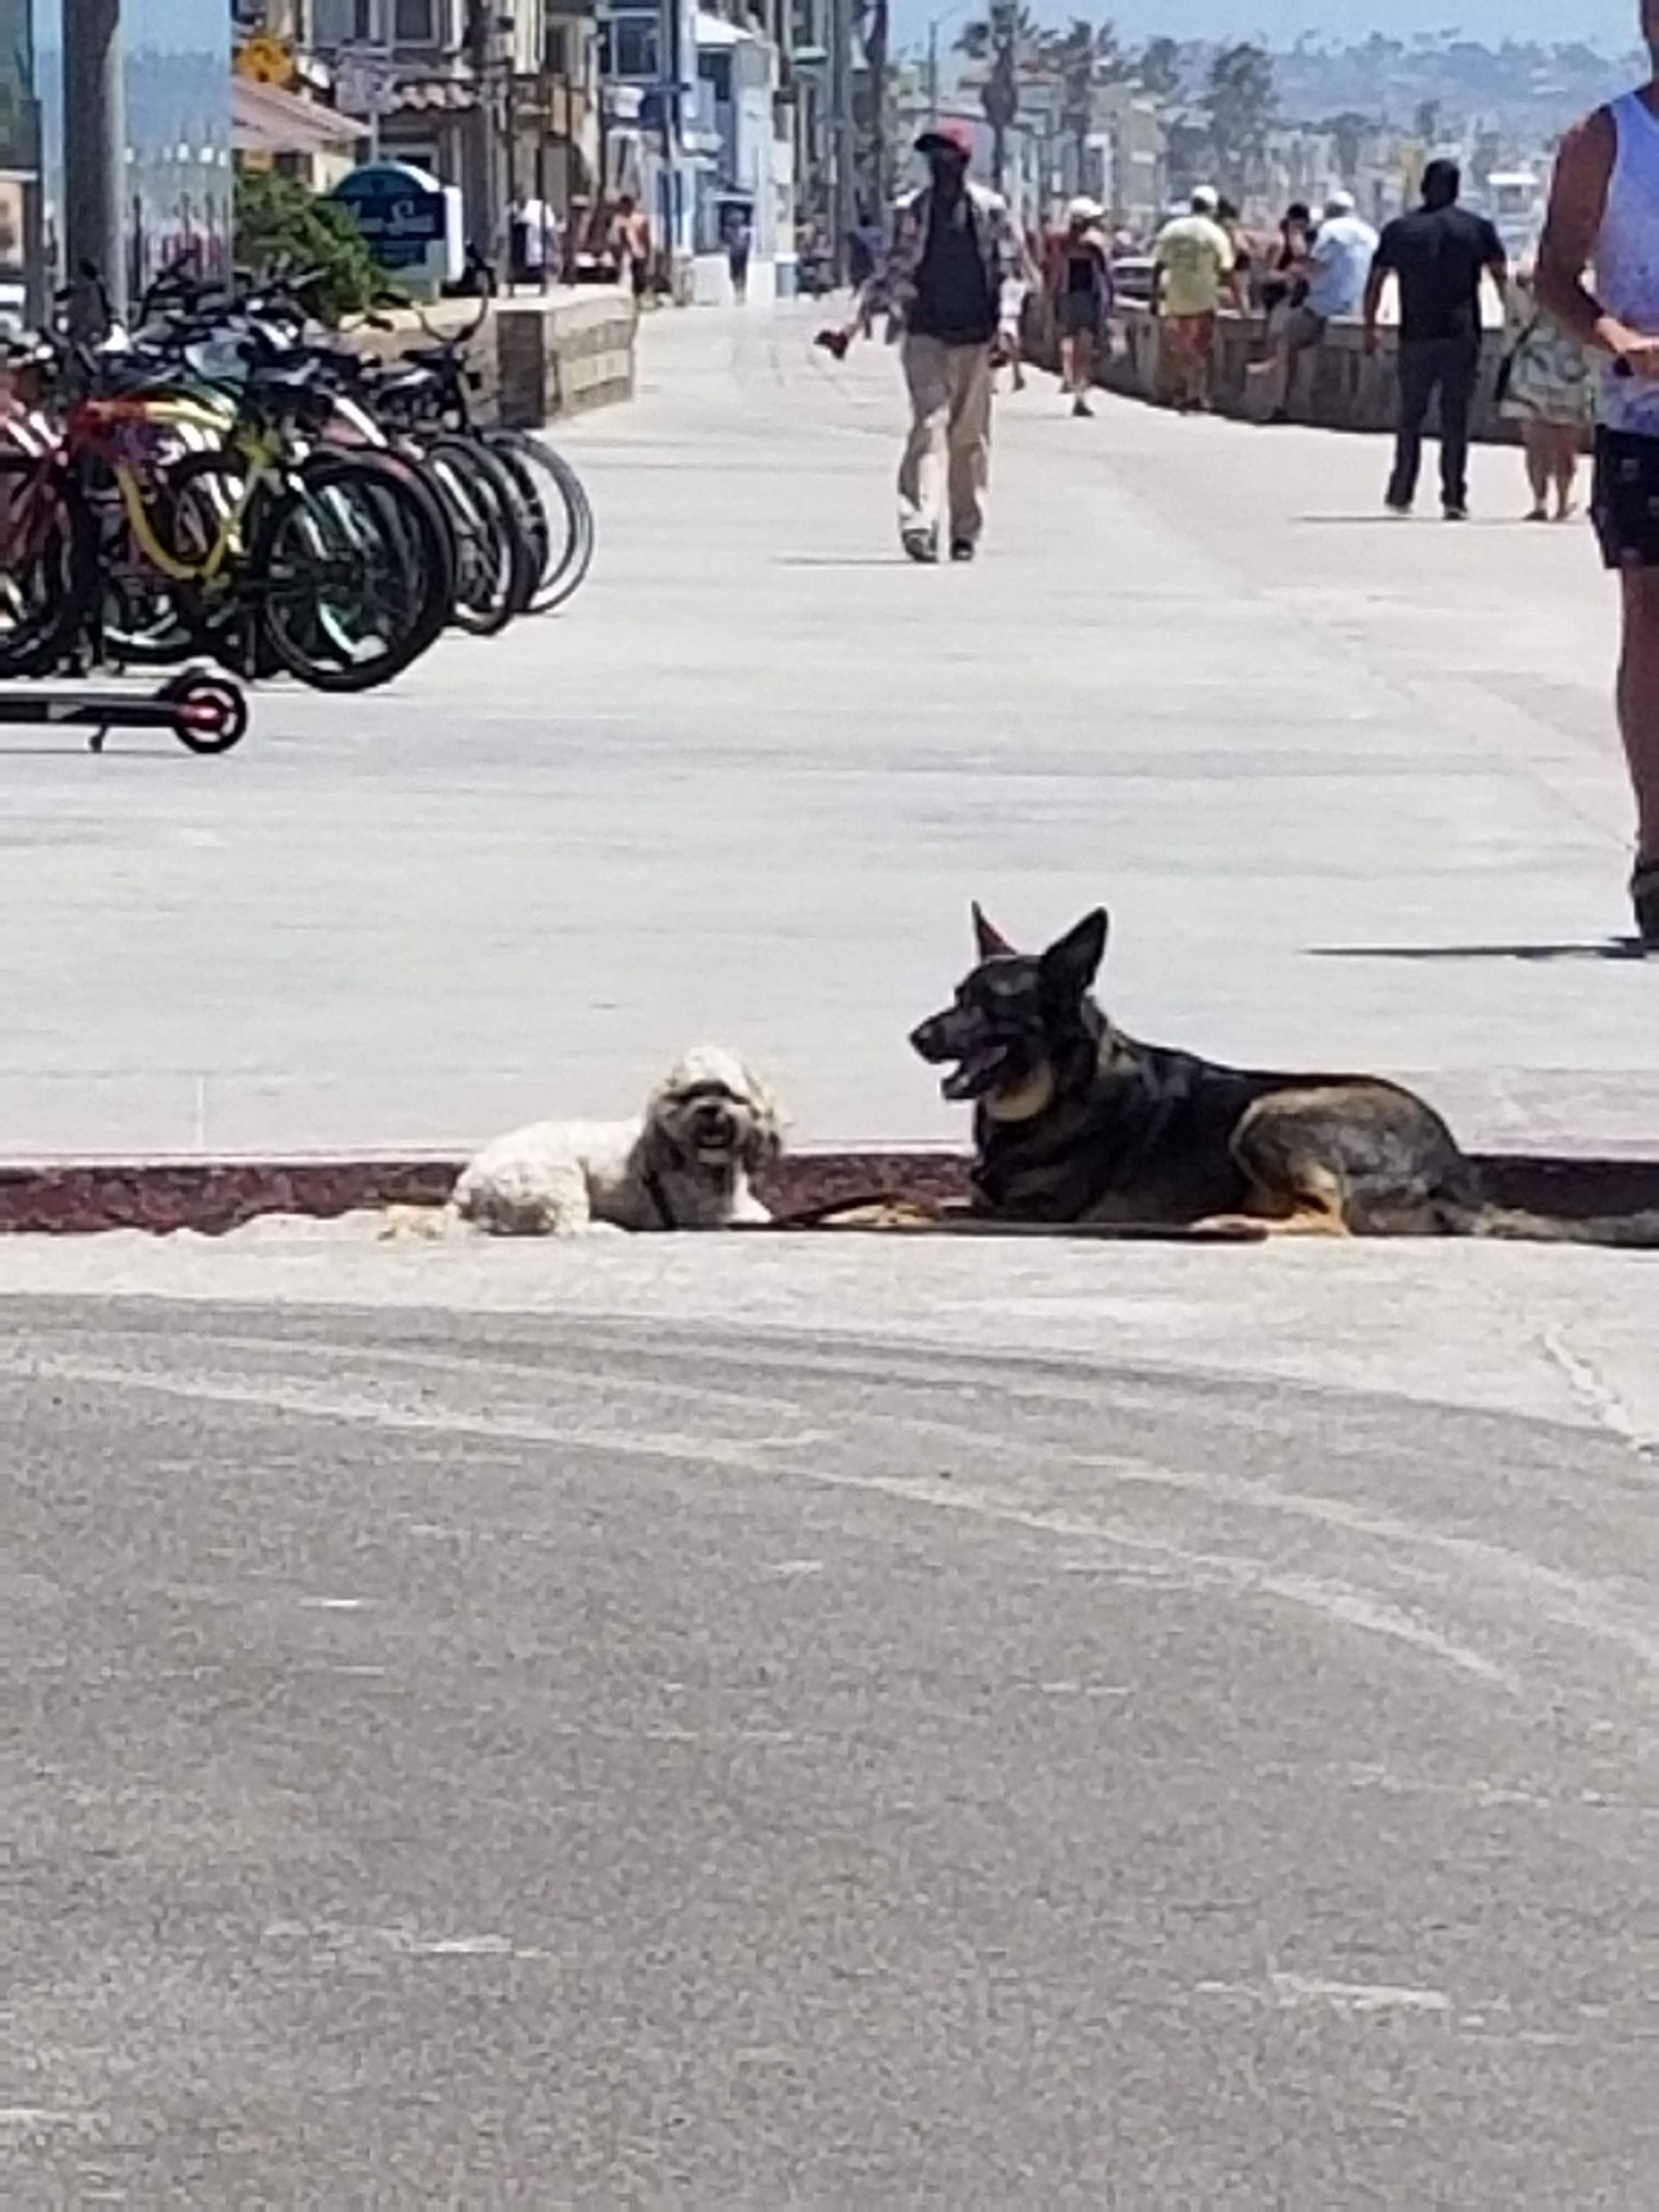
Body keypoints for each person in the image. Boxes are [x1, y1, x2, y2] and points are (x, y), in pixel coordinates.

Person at [1537, 0, 1659, 943]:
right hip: (1644, 418)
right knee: (1651, 614)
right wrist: (1614, 336)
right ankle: (1658, 847)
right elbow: (1554, 274)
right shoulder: (1606, 137)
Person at [880, 120, 1026, 565]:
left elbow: (1012, 273)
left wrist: (1007, 326)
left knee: (970, 438)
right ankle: (920, 523)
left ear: (963, 163)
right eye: (932, 160)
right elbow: (894, 270)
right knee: (928, 425)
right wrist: (861, 320)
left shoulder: (991, 211)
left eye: (946, 158)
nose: (938, 168)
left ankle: (966, 531)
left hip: (976, 339)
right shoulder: (912, 211)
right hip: (925, 334)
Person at [1363, 159, 1507, 521]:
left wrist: (1371, 326)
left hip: (1416, 334)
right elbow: (1502, 280)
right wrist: (1514, 325)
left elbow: (1377, 280)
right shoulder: (1477, 228)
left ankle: (1401, 491)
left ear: (1424, 187)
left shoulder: (1400, 229)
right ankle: (1454, 496)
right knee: (1455, 420)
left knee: (1410, 416)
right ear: (1458, 189)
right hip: (1462, 336)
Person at [1252, 189, 1379, 423]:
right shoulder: (1370, 234)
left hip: (1322, 306)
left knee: (1285, 341)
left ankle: (1280, 404)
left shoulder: (1329, 231)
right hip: (1356, 307)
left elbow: (1313, 266)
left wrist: (1294, 269)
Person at [1498, 264, 1593, 522]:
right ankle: (1563, 501)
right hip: (1573, 367)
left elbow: (1512, 323)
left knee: (1535, 441)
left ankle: (1539, 501)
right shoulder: (1587, 283)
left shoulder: (1521, 281)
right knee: (1566, 441)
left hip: (1531, 364)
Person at [1151, 187, 1247, 413]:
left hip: (1176, 298)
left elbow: (1158, 266)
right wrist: (1241, 301)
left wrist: (1154, 297)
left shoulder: (1172, 230)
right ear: (1213, 209)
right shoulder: (1215, 234)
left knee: (1182, 346)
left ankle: (1186, 391)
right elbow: (1227, 271)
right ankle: (1194, 393)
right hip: (1203, 299)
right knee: (1200, 348)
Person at [1048, 196, 1114, 417]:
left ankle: (1078, 388)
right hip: (1087, 298)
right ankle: (1080, 392)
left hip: (1069, 297)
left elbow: (1056, 273)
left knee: (1077, 347)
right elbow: (1105, 274)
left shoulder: (1063, 242)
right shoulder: (1093, 242)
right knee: (1086, 349)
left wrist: (1053, 296)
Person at [726, 209, 753, 304]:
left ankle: (741, 292)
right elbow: (728, 241)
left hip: (741, 254)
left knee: (741, 273)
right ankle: (738, 292)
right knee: (735, 274)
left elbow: (748, 243)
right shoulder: (729, 231)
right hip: (734, 254)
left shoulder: (745, 231)